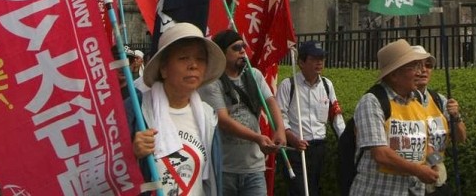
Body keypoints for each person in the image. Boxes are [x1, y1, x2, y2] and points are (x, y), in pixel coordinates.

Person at [132, 23, 226, 196]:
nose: (193, 65)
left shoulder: (208, 117)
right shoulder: (136, 113)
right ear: (164, 69)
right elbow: (107, 173)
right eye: (183, 58)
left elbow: (212, 179)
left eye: (200, 59)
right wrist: (131, 155)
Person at [199, 29, 287, 196]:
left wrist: (280, 130)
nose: (242, 51)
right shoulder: (212, 82)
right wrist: (257, 138)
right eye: (236, 48)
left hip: (254, 169)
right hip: (224, 168)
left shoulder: (254, 75)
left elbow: (271, 102)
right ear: (221, 54)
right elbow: (223, 120)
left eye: (243, 47)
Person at [349, 39, 440, 195]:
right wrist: (418, 171)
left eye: (420, 66)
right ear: (394, 75)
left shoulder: (417, 99)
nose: (420, 72)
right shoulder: (372, 101)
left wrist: (436, 163)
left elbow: (427, 144)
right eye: (413, 67)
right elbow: (381, 154)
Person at [277, 40, 345, 196]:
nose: (319, 63)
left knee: (314, 190)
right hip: (296, 149)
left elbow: (336, 116)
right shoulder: (288, 85)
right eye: (314, 59)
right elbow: (280, 117)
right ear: (301, 62)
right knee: (300, 191)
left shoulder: (327, 85)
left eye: (321, 58)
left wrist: (346, 139)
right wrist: (292, 138)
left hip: (319, 148)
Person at [410, 45, 466, 195]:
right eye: (417, 65)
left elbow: (460, 138)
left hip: (437, 182)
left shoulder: (439, 100)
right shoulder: (399, 101)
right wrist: (435, 161)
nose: (423, 70)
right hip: (411, 184)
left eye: (428, 65)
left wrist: (456, 117)